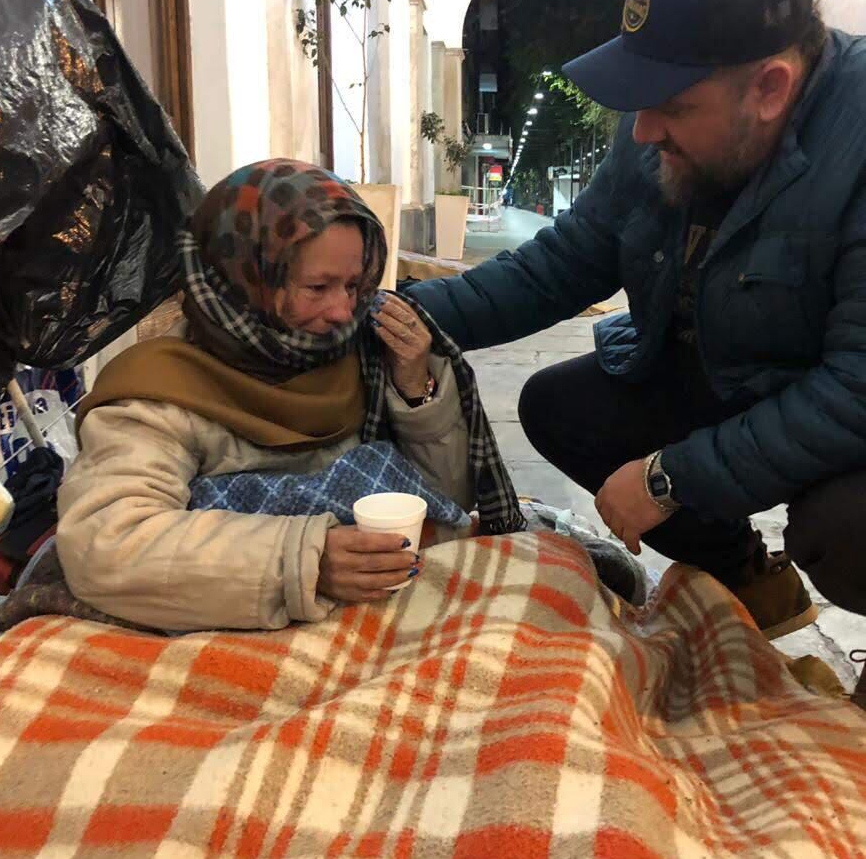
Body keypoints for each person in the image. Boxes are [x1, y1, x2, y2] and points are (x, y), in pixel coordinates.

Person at [409, 0, 866, 754]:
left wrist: (673, 475)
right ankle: (746, 584)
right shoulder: (659, 127)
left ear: (770, 87)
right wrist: (407, 316)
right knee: (563, 405)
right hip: (736, 365)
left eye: (673, 107)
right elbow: (562, 263)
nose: (643, 131)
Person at [57, 160, 521, 632]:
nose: (344, 310)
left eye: (355, 284)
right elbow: (106, 545)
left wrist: (415, 390)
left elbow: (444, 503)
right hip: (225, 629)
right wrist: (304, 561)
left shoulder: (366, 349)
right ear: (246, 278)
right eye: (317, 287)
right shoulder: (156, 391)